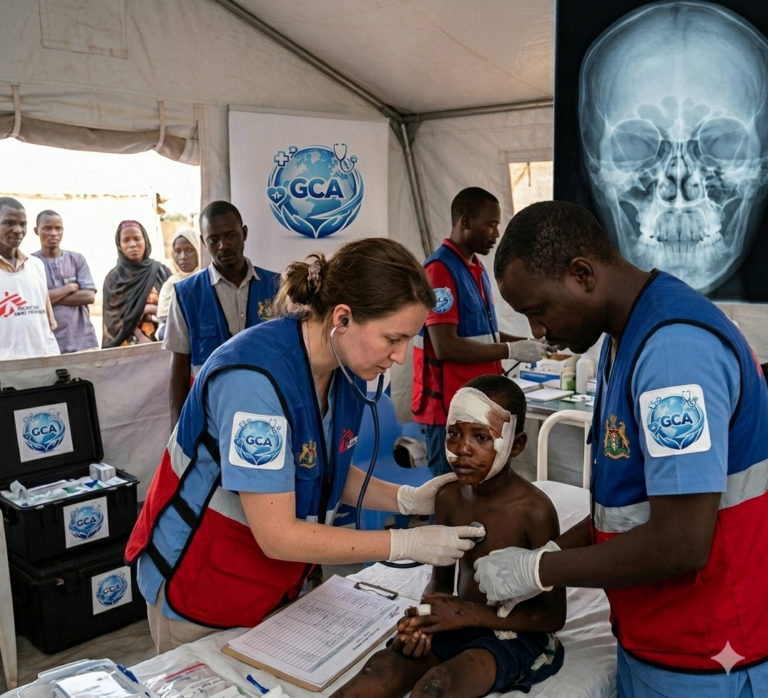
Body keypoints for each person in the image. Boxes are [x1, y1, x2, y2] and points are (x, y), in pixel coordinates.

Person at [125, 238, 485, 653]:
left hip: (273, 584)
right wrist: (406, 544)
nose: (401, 357)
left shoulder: (344, 369)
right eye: (393, 339)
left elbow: (322, 468)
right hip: (202, 585)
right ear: (342, 318)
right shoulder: (253, 383)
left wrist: (405, 498)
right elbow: (277, 535)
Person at [475, 201, 768, 697]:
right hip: (656, 638)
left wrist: (539, 569)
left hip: (706, 653)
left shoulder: (673, 353)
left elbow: (681, 542)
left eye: (538, 311)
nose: (538, 332)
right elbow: (625, 509)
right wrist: (549, 552)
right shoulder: (623, 335)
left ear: (582, 274)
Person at [333, 374, 565, 698]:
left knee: (438, 686)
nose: (462, 449)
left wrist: (464, 614)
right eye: (454, 433)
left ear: (516, 445)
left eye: (481, 437)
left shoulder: (534, 512)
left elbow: (552, 615)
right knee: (380, 670)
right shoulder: (448, 497)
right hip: (454, 619)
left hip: (511, 631)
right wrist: (422, 620)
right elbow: (440, 585)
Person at [413, 187, 547, 476]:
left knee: (480, 490)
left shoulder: (476, 268)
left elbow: (484, 334)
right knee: (451, 490)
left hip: (477, 404)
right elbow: (445, 345)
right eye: (491, 224)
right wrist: (511, 351)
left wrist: (527, 343)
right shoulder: (440, 271)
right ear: (465, 222)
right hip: (449, 411)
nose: (496, 233)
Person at [163, 201, 278, 427]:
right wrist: (178, 429)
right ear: (203, 242)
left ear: (244, 233)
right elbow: (179, 368)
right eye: (213, 239)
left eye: (230, 235)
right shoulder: (185, 294)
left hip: (268, 413)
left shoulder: (277, 286)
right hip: (212, 419)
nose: (223, 245)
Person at [32, 210, 99, 353]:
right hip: (48, 344)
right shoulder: (31, 264)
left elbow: (88, 296)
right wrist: (69, 288)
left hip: (83, 341)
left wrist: (49, 297)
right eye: (47, 228)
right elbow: (33, 301)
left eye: (58, 228)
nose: (53, 233)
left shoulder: (77, 260)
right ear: (36, 231)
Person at [0, 197, 59, 359]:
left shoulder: (36, 265)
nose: (18, 230)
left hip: (42, 363)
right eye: (9, 223)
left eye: (23, 224)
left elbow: (46, 323)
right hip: (5, 367)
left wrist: (54, 357)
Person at [102, 220, 171, 348]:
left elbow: (173, 309)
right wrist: (140, 336)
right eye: (126, 240)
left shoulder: (161, 272)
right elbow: (113, 320)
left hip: (162, 343)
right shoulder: (114, 279)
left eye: (137, 239)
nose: (132, 244)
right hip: (126, 348)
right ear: (119, 245)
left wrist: (151, 309)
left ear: (145, 241)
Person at [156, 228, 200, 338]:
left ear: (199, 250)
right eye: (178, 251)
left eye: (189, 250)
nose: (183, 256)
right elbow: (164, 326)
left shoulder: (208, 280)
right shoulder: (170, 285)